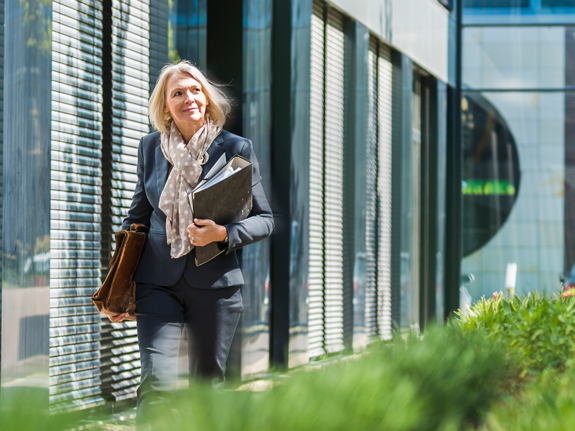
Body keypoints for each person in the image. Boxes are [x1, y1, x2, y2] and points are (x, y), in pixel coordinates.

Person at [109, 60, 274, 425]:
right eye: (178, 93)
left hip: (215, 287)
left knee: (206, 389)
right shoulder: (151, 148)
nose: (189, 98)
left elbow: (266, 220)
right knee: (156, 384)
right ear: (165, 105)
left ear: (207, 97)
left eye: (195, 90)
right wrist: (117, 284)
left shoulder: (235, 147)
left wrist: (223, 234)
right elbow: (136, 219)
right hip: (156, 283)